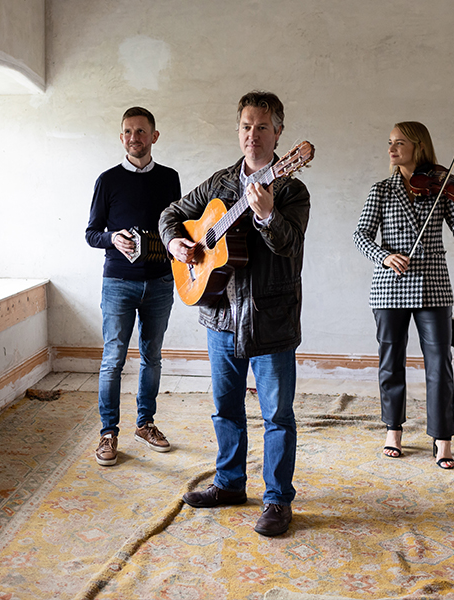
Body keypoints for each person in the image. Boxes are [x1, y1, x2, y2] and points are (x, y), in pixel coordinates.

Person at [159, 91, 310, 536]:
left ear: (279, 133)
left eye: (262, 127)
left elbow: (291, 248)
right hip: (221, 315)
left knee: (277, 415)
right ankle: (229, 484)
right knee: (226, 408)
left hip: (271, 319)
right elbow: (172, 213)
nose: (253, 135)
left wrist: (267, 217)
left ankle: (278, 500)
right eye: (246, 126)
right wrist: (176, 244)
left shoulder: (291, 187)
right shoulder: (222, 182)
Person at [353, 121, 454, 469]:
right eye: (390, 143)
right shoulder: (381, 190)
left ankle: (442, 438)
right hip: (389, 288)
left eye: (399, 143)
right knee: (391, 363)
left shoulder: (441, 188)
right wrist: (385, 256)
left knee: (440, 365)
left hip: (433, 285)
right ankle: (393, 430)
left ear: (418, 147)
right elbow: (361, 236)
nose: (391, 149)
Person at [86, 107, 181, 467]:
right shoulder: (107, 180)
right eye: (127, 131)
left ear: (154, 136)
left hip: (160, 281)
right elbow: (91, 233)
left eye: (141, 132)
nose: (134, 138)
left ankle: (146, 423)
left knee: (152, 357)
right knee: (112, 360)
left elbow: (178, 226)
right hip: (118, 283)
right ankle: (108, 432)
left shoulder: (170, 179)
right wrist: (114, 239)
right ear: (121, 136)